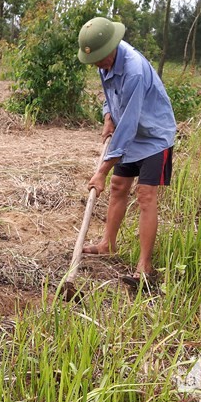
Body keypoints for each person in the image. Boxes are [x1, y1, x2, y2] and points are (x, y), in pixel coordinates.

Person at [77, 16, 176, 287]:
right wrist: (108, 114)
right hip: (129, 133)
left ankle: (144, 265)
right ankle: (108, 244)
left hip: (154, 136)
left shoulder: (133, 69)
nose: (97, 65)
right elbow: (112, 99)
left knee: (145, 195)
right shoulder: (104, 62)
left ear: (112, 46)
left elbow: (130, 123)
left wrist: (101, 172)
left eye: (99, 58)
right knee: (119, 186)